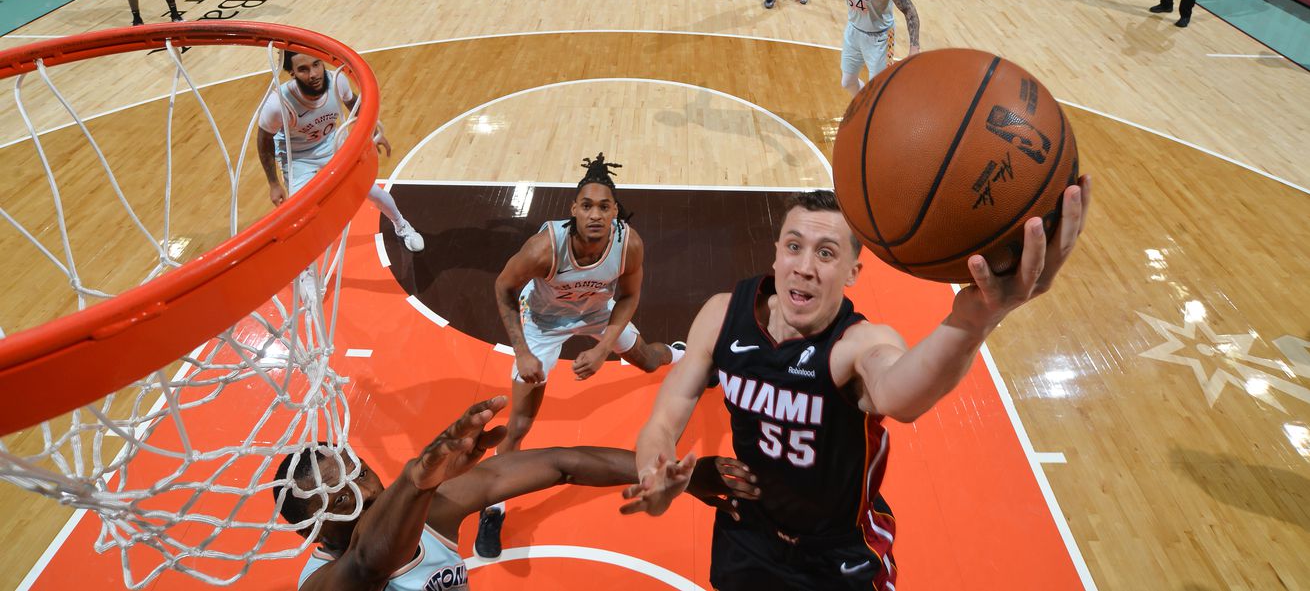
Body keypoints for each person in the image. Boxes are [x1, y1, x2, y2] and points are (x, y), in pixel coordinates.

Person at [622, 184, 1090, 590]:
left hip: (837, 554)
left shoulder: (858, 344)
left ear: (852, 274)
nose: (804, 267)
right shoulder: (723, 314)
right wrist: (654, 476)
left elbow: (898, 394)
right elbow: (664, 418)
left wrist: (973, 321)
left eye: (826, 253)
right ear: (776, 253)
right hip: (748, 533)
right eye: (794, 246)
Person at [278, 396, 758, 590]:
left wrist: (675, 475)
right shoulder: (321, 585)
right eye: (342, 499)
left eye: (359, 471)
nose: (366, 489)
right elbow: (369, 562)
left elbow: (560, 464)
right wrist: (416, 476)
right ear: (313, 532)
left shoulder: (434, 507)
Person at [476, 153, 686, 559]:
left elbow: (629, 296)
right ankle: (494, 507)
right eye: (587, 205)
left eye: (604, 207)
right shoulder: (544, 247)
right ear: (573, 209)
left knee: (645, 358)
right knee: (519, 425)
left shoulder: (629, 244)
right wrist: (522, 352)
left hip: (597, 314)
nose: (595, 214)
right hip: (541, 323)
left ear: (615, 213)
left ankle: (681, 355)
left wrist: (604, 346)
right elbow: (503, 288)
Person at [256, 50, 425, 256]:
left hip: (333, 145)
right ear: (292, 73)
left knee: (373, 191)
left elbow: (353, 103)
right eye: (303, 69)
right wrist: (273, 183)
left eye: (317, 64)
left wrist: (373, 132)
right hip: (299, 159)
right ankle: (306, 272)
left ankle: (401, 225)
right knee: (301, 219)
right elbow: (264, 142)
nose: (314, 74)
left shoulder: (337, 81)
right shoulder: (277, 104)